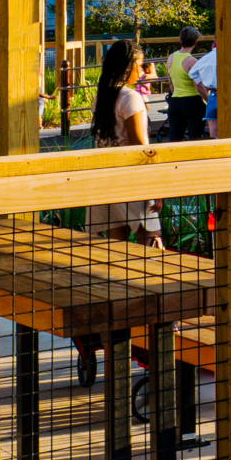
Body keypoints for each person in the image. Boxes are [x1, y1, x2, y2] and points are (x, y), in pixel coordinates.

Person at [77, 40, 159, 386]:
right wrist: (158, 188)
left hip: (103, 184)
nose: (143, 71)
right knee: (149, 258)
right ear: (128, 67)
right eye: (140, 65)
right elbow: (140, 146)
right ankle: (147, 335)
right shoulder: (131, 98)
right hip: (132, 184)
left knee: (112, 262)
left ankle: (111, 337)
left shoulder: (103, 96)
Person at [162, 26, 206, 140]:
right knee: (195, 139)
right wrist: (209, 101)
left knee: (174, 139)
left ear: (180, 40)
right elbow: (199, 87)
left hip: (175, 102)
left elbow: (170, 83)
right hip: (192, 102)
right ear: (195, 42)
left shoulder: (171, 57)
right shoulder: (193, 62)